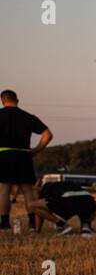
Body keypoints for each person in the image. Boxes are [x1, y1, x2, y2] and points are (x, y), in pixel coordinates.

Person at [0, 89, 51, 233]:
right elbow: (48, 134)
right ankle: (32, 223)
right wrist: (36, 150)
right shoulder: (28, 116)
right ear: (17, 100)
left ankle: (4, 223)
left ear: (2, 101)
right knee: (28, 190)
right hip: (24, 156)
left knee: (4, 189)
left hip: (4, 155)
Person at [32, 179, 96, 236]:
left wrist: (37, 230)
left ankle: (61, 225)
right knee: (81, 205)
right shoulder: (63, 185)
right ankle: (86, 227)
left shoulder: (46, 187)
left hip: (69, 201)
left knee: (32, 206)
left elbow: (38, 209)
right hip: (91, 203)